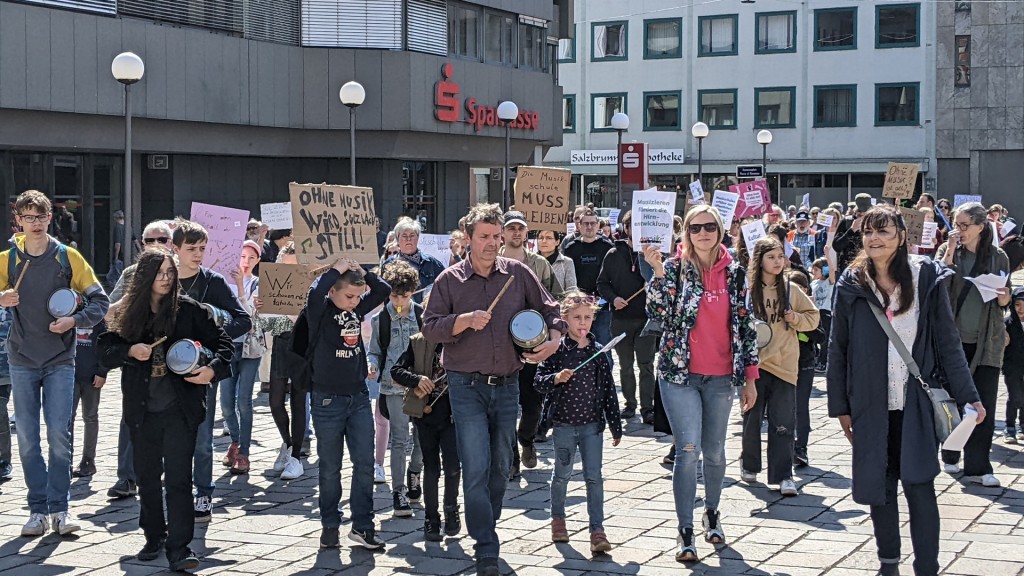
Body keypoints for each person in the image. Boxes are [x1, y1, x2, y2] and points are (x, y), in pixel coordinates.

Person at [827, 205, 985, 576]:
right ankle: (888, 564)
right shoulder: (851, 283)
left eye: (883, 231)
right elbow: (839, 347)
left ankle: (926, 566)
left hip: (915, 400)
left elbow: (948, 342)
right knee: (879, 486)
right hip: (869, 401)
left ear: (901, 235)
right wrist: (840, 406)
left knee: (919, 482)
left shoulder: (925, 276)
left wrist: (969, 395)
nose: (875, 239)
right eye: (868, 232)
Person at [422, 203, 565, 576]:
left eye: (496, 237)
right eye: (484, 237)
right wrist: (464, 321)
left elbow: (552, 308)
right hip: (464, 385)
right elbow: (431, 328)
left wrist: (554, 336)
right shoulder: (449, 280)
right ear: (467, 238)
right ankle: (486, 543)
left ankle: (487, 521)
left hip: (507, 385)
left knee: (501, 467)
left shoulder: (517, 273)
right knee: (476, 465)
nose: (491, 243)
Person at [99, 250, 233, 572]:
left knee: (178, 479)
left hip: (180, 408)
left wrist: (211, 370)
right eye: (160, 273)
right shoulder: (129, 311)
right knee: (146, 477)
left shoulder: (189, 310)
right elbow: (105, 349)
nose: (166, 278)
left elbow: (224, 344)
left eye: (170, 273)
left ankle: (180, 547)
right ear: (145, 276)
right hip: (142, 409)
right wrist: (129, 350)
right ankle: (153, 535)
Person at [642, 205, 758, 563]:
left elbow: (747, 328)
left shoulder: (736, 274)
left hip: (722, 377)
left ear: (721, 231)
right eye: (695, 227)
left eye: (710, 226)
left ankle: (712, 512)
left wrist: (750, 380)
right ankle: (685, 529)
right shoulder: (675, 270)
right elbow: (658, 314)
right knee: (688, 451)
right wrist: (658, 272)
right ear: (686, 233)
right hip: (679, 375)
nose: (703, 233)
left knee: (716, 451)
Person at [0, 190, 110, 537]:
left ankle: (60, 507)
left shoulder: (68, 258)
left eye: (40, 216)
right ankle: (37, 509)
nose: (34, 223)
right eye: (27, 217)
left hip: (61, 358)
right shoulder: (6, 260)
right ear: (18, 219)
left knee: (59, 435)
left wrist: (73, 322)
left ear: (50, 217)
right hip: (21, 358)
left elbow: (100, 301)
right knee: (29, 438)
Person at [169, 220, 252, 521]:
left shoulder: (213, 281)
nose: (197, 254)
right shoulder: (164, 278)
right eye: (191, 249)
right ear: (174, 249)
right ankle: (175, 491)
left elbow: (243, 320)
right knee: (171, 435)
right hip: (165, 368)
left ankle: (203, 492)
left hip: (204, 368)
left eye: (202, 248)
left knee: (203, 436)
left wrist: (215, 321)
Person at [306, 258, 390, 550]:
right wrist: (336, 270)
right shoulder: (321, 311)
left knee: (365, 463)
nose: (355, 302)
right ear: (334, 292)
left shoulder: (356, 311)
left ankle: (362, 525)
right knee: (330, 466)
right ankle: (330, 523)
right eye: (349, 296)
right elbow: (315, 294)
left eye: (357, 297)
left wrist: (362, 272)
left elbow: (382, 291)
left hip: (357, 397)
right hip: (327, 398)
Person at [534, 291, 621, 553]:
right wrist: (555, 378)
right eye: (577, 318)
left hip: (592, 426)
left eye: (587, 317)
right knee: (561, 475)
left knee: (594, 477)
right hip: (563, 424)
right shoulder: (557, 351)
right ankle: (558, 520)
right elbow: (538, 381)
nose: (582, 323)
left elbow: (608, 391)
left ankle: (597, 529)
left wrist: (615, 425)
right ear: (565, 319)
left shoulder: (599, 351)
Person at [936, 202, 1010, 487]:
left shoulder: (998, 256)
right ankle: (951, 455)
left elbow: (1004, 301)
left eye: (966, 225)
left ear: (981, 226)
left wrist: (1004, 298)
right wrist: (951, 250)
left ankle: (979, 466)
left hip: (987, 341)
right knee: (952, 404)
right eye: (957, 224)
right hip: (953, 341)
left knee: (984, 405)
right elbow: (937, 287)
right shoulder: (948, 251)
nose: (960, 230)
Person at [105, 220, 178, 499]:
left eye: (162, 239)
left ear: (172, 243)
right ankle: (127, 477)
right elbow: (110, 316)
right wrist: (134, 294)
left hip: (173, 361)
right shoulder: (130, 274)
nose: (156, 244)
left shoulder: (178, 273)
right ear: (141, 245)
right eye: (150, 240)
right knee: (130, 418)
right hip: (139, 359)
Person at [741, 236, 819, 497]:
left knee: (783, 423)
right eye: (771, 257)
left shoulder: (791, 288)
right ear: (759, 260)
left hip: (785, 365)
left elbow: (813, 318)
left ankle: (783, 475)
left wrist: (794, 318)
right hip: (754, 365)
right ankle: (749, 464)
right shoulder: (748, 289)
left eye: (780, 257)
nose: (777, 261)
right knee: (752, 419)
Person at [499, 210, 561, 476]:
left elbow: (556, 297)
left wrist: (555, 329)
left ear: (526, 233)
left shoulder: (539, 264)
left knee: (534, 401)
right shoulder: (493, 261)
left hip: (533, 343)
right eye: (511, 228)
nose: (516, 232)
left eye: (520, 228)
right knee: (506, 404)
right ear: (503, 232)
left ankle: (526, 439)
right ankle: (511, 457)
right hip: (501, 344)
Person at [390, 314, 462, 542]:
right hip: (426, 415)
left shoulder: (462, 341)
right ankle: (431, 518)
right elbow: (396, 370)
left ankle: (451, 510)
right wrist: (417, 379)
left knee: (453, 467)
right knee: (431, 467)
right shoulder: (418, 341)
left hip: (454, 415)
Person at [367, 260, 424, 517]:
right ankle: (399, 490)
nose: (399, 300)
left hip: (422, 386)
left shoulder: (422, 315)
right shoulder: (382, 319)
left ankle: (415, 473)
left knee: (422, 439)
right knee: (400, 439)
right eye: (394, 294)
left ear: (413, 292)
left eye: (405, 294)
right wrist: (371, 366)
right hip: (392, 387)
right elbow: (375, 351)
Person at [596, 210, 655, 423]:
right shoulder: (613, 254)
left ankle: (648, 408)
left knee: (646, 364)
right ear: (627, 229)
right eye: (633, 227)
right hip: (621, 318)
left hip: (646, 318)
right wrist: (614, 299)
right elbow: (602, 283)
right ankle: (630, 404)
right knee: (626, 364)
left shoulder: (652, 254)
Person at [259, 243, 306, 481]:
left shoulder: (309, 287)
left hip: (302, 347)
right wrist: (262, 310)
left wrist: (291, 315)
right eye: (286, 267)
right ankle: (287, 444)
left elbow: (309, 322)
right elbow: (265, 326)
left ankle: (297, 456)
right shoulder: (270, 286)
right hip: (281, 344)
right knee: (275, 400)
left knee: (299, 401)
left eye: (295, 267)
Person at [219, 240, 263, 475]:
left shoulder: (257, 283)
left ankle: (244, 452)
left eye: (251, 258)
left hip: (249, 348)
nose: (245, 262)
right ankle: (235, 441)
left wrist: (240, 286)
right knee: (226, 402)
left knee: (243, 401)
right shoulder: (220, 280)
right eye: (242, 256)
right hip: (227, 347)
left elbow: (249, 316)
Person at [563, 209, 615, 360]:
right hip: (578, 306)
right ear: (579, 226)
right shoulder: (571, 248)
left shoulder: (607, 247)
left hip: (603, 305)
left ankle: (605, 381)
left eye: (593, 223)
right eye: (586, 223)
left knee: (604, 347)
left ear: (598, 225)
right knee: (577, 345)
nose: (589, 226)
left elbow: (612, 276)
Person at [786, 270, 825, 468]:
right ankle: (785, 447)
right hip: (783, 364)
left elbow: (820, 336)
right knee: (784, 407)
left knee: (800, 405)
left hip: (805, 363)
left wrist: (800, 321)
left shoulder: (811, 312)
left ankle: (801, 448)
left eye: (799, 291)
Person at [70, 318, 107, 478]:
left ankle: (88, 460)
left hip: (92, 376)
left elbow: (106, 346)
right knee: (66, 418)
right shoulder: (67, 314)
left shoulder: (98, 318)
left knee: (90, 417)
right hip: (69, 374)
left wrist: (102, 371)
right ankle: (66, 459)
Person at [384, 218, 445, 304]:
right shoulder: (388, 264)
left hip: (424, 313)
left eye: (412, 235)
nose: (408, 239)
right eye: (404, 236)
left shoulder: (431, 263)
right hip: (397, 313)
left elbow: (444, 287)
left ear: (418, 238)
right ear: (397, 239)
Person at [1002, 287, 1024, 444]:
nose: (1021, 309)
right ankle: (1010, 426)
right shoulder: (1007, 324)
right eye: (1017, 304)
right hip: (1012, 366)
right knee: (1015, 395)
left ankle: (1022, 425)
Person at [832, 193, 873, 273]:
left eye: (865, 211)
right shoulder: (847, 222)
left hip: (868, 268)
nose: (862, 214)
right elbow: (837, 246)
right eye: (860, 211)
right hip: (848, 269)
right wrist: (851, 230)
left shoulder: (874, 223)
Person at [810, 258, 835, 373]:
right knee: (814, 337)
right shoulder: (813, 283)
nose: (813, 272)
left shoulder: (828, 282)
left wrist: (827, 256)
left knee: (824, 339)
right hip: (815, 312)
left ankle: (823, 362)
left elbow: (832, 270)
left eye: (816, 269)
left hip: (825, 312)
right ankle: (816, 356)